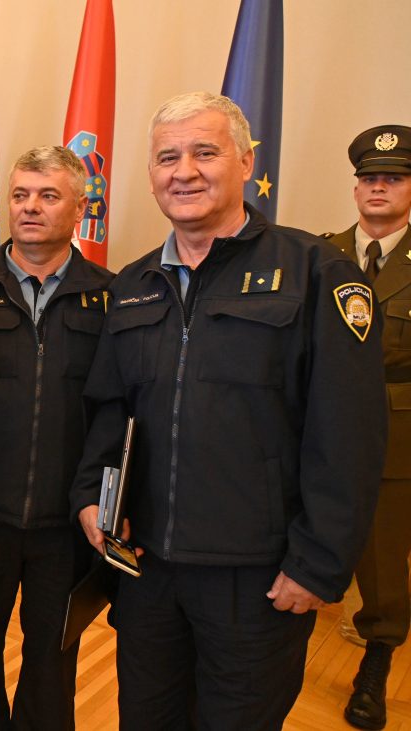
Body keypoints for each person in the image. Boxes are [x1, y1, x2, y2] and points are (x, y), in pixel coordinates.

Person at [70, 91, 388, 730]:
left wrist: (318, 564)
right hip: (148, 571)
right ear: (151, 175)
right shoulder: (133, 285)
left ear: (246, 162)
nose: (183, 172)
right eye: (167, 158)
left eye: (204, 153)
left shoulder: (316, 272)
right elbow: (109, 411)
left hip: (258, 579)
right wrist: (91, 499)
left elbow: (349, 434)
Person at [0, 145, 112, 730]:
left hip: (66, 525)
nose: (30, 207)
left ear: (80, 207)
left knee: (51, 667)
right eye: (19, 195)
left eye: (48, 195)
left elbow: (118, 412)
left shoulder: (112, 297)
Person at [322, 124, 411, 731]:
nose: (379, 187)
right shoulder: (318, 253)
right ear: (356, 188)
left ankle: (375, 664)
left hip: (393, 437)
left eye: (394, 179)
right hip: (313, 430)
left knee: (381, 565)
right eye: (370, 178)